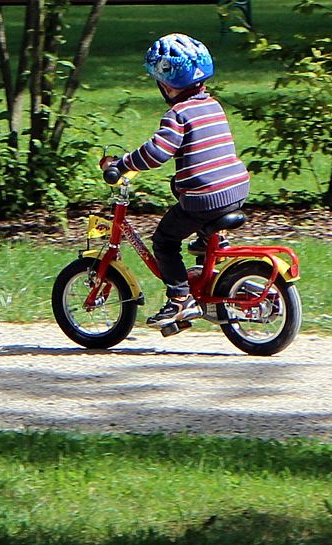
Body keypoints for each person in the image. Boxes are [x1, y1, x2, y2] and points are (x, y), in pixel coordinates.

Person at [100, 33, 250, 328]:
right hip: (236, 188)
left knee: (164, 241)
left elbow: (157, 152)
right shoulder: (213, 105)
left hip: (205, 199)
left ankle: (180, 300)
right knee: (180, 185)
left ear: (165, 83)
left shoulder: (178, 114)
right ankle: (208, 241)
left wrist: (123, 164)